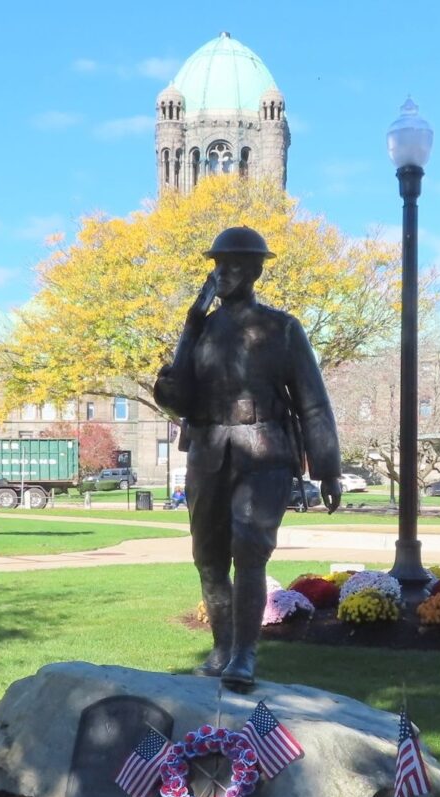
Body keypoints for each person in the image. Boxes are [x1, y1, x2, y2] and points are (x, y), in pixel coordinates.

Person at [154, 226, 342, 692]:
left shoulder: (282, 328)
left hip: (263, 449)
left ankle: (244, 655)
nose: (223, 273)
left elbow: (313, 402)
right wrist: (188, 329)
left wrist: (327, 468)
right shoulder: (201, 329)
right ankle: (221, 648)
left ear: (255, 271)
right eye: (219, 264)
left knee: (249, 549)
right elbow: (179, 399)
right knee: (208, 557)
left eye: (235, 264)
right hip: (208, 448)